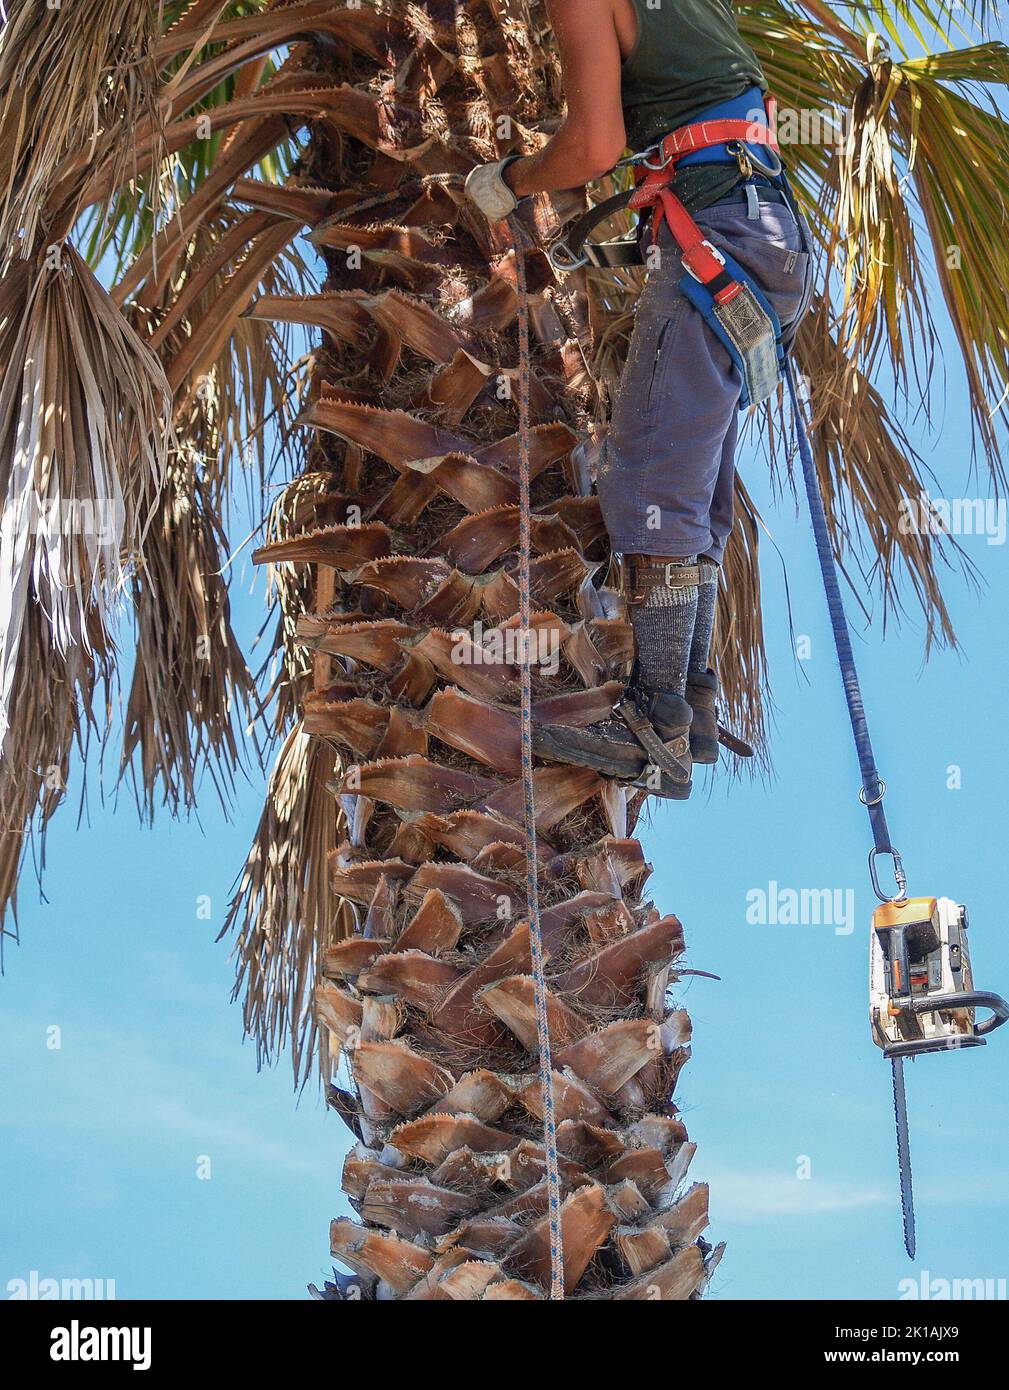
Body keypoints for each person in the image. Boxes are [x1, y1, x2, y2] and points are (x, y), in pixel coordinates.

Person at [466, 0, 813, 799]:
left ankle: (653, 717)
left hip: (718, 236)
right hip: (765, 236)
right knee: (690, 487)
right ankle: (686, 699)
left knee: (654, 482)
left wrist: (508, 180)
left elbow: (593, 144)